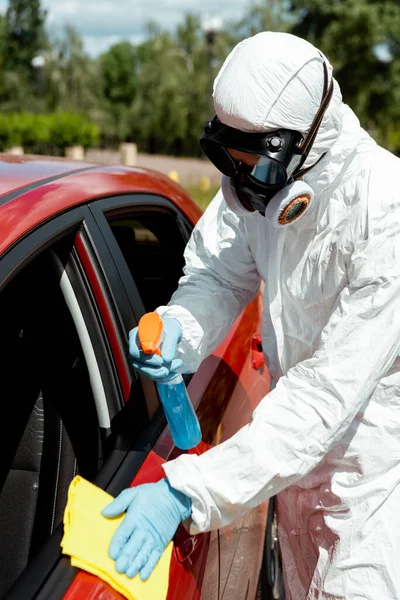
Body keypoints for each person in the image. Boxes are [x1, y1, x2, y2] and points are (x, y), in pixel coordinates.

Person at [101, 31, 400, 599]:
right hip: (288, 466)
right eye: (229, 161)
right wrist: (181, 329)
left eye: (253, 164)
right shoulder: (257, 184)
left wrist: (187, 492)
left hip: (374, 485)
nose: (242, 183)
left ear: (304, 142)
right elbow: (218, 275)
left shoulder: (386, 210)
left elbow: (323, 398)